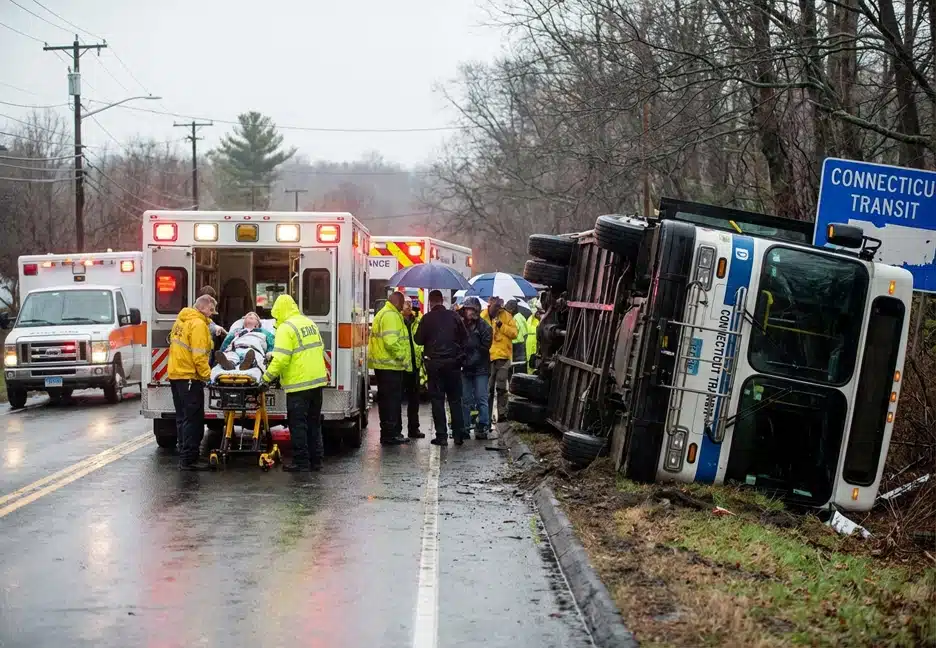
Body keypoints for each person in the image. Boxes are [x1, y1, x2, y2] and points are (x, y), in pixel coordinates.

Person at [262, 294, 328, 472]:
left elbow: (281, 359)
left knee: (298, 424)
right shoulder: (309, 323)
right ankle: (316, 460)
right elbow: (320, 347)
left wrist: (266, 379)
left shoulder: (286, 328)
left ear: (280, 311)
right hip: (317, 382)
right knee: (314, 423)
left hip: (299, 384)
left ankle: (301, 462)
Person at [414, 289, 468, 446]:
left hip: (435, 365)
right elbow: (465, 338)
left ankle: (442, 436)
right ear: (442, 301)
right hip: (453, 364)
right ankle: (458, 435)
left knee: (437, 401)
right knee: (455, 400)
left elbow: (418, 340)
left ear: (430, 302)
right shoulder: (455, 317)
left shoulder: (427, 319)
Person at [168, 294, 216, 471]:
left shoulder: (181, 321)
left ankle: (184, 455)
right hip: (190, 376)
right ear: (203, 308)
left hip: (176, 375)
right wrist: (208, 376)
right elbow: (199, 356)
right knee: (193, 419)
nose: (211, 314)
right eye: (211, 310)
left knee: (182, 417)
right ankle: (190, 459)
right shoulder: (198, 325)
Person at [368, 291, 412, 445]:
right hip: (391, 366)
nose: (404, 306)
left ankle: (388, 433)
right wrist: (402, 356)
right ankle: (391, 434)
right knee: (391, 402)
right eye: (402, 303)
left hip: (384, 366)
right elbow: (391, 341)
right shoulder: (391, 316)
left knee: (387, 402)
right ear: (397, 302)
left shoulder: (384, 313)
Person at [460, 297, 493, 440]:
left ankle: (483, 426)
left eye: (471, 309)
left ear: (476, 310)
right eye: (466, 309)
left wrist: (469, 361)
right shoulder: (461, 326)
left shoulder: (485, 328)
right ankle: (465, 427)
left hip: (481, 369)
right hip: (466, 368)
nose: (468, 312)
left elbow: (484, 349)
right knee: (465, 399)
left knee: (481, 398)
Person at [482, 297, 518, 423]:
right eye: (495, 306)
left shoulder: (506, 316)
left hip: (503, 356)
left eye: (499, 306)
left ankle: (502, 414)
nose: (497, 309)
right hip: (488, 357)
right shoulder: (483, 316)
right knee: (488, 388)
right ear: (489, 304)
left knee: (501, 387)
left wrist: (501, 326)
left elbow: (514, 333)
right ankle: (486, 416)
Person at [401, 299, 426, 439]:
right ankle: (397, 430)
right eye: (405, 303)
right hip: (402, 365)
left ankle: (413, 429)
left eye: (410, 303)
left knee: (414, 400)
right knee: (398, 400)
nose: (409, 305)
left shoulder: (418, 320)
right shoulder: (398, 320)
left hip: (415, 365)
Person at [504, 299, 528, 367]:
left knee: (517, 367)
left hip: (518, 346)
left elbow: (524, 333)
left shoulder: (517, 318)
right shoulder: (516, 317)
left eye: (508, 309)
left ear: (513, 309)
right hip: (516, 346)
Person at [526, 308, 543, 372]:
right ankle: (530, 372)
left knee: (535, 357)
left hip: (537, 341)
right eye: (538, 313)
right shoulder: (531, 320)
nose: (539, 314)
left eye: (540, 313)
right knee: (530, 358)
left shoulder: (539, 320)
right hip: (531, 341)